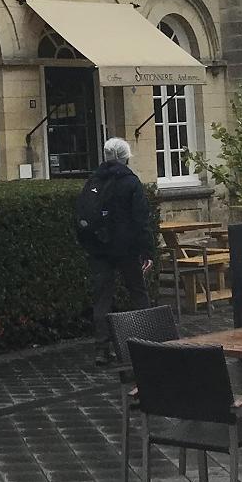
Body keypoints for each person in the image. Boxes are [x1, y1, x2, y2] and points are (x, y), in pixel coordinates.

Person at [80, 137, 152, 365]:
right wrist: (148, 251)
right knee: (138, 292)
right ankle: (147, 342)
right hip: (126, 248)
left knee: (102, 298)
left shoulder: (94, 180)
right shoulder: (131, 182)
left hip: (99, 248)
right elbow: (141, 220)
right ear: (126, 157)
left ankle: (102, 349)